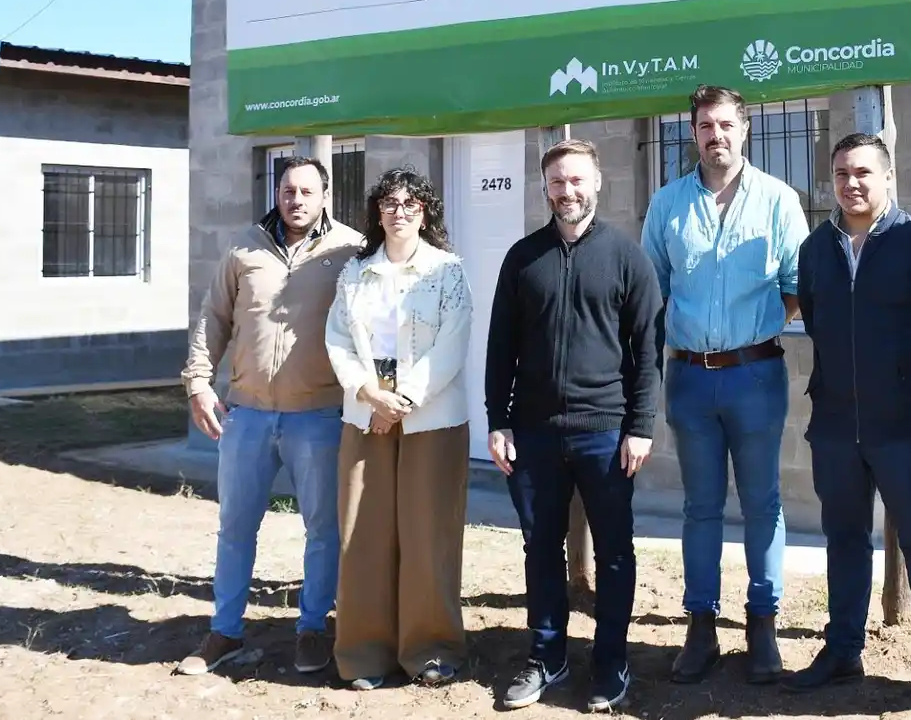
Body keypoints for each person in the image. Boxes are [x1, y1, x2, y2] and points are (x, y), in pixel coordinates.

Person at [785, 133, 911, 714]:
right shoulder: (817, 250)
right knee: (842, 539)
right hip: (835, 424)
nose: (851, 183)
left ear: (888, 176)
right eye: (841, 173)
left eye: (863, 172)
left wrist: (904, 380)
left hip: (906, 427)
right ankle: (842, 651)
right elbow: (817, 322)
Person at [486, 139, 663, 713]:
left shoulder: (626, 257)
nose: (568, 191)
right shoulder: (523, 258)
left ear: (597, 182)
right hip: (534, 432)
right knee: (540, 547)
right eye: (558, 182)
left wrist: (640, 424)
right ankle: (547, 655)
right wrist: (499, 420)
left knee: (614, 550)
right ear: (546, 188)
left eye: (577, 181)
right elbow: (500, 348)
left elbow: (648, 351)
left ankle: (610, 661)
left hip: (606, 432)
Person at [641, 85, 809, 685]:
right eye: (706, 126)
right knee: (700, 507)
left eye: (727, 125)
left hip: (755, 376)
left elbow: (795, 284)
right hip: (688, 377)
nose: (717, 136)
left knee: (762, 503)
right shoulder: (667, 204)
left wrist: (750, 331)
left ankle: (762, 625)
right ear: (693, 133)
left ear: (746, 128)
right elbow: (652, 290)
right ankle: (701, 625)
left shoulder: (779, 200)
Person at [176, 156, 362, 678]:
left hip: (318, 415)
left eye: (306, 191)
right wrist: (197, 380)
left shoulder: (348, 250)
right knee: (235, 526)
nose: (295, 199)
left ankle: (311, 628)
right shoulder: (243, 247)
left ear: (325, 196)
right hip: (249, 415)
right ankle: (225, 631)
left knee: (323, 530)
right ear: (276, 192)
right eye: (287, 189)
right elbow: (213, 316)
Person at [324, 168, 475, 691]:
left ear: (426, 211)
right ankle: (365, 652)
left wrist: (406, 397)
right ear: (377, 213)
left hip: (431, 417)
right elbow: (338, 339)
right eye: (389, 202)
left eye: (411, 202)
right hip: (366, 413)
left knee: (427, 534)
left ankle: (431, 648)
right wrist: (371, 395)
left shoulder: (448, 272)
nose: (400, 211)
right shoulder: (354, 272)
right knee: (362, 535)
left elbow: (452, 343)